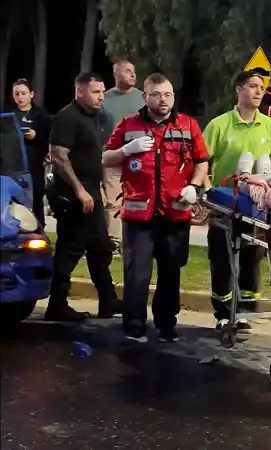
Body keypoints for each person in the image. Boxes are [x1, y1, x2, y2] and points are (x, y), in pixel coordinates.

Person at [101, 73, 209, 343]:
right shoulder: (129, 125)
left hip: (175, 212)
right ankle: (134, 324)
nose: (163, 100)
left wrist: (194, 187)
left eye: (168, 94)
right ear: (144, 96)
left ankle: (166, 324)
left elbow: (202, 161)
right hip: (139, 216)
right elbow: (106, 157)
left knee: (171, 273)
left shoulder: (188, 125)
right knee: (137, 275)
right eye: (157, 94)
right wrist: (127, 149)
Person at [203, 70, 271, 332]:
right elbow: (201, 162)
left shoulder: (270, 126)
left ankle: (245, 313)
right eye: (252, 86)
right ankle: (224, 312)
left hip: (256, 207)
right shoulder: (219, 125)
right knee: (221, 258)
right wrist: (206, 193)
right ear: (238, 90)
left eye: (261, 87)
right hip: (224, 204)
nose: (259, 92)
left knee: (252, 258)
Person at [46, 72, 124, 322]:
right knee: (70, 250)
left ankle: (108, 301)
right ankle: (57, 305)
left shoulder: (93, 118)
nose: (101, 96)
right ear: (80, 92)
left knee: (100, 247)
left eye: (102, 91)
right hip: (74, 197)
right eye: (95, 92)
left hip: (92, 193)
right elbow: (58, 156)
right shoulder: (67, 117)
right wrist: (79, 190)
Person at [100, 60, 144, 257]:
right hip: (113, 157)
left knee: (138, 199)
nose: (133, 75)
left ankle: (138, 241)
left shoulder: (142, 98)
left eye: (134, 71)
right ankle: (114, 242)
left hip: (140, 157)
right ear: (116, 74)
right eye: (127, 71)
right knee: (113, 200)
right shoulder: (104, 99)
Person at [10, 79, 50, 225]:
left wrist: (36, 135)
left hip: (35, 166)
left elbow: (49, 139)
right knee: (14, 200)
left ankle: (39, 230)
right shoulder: (9, 114)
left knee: (36, 198)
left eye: (23, 93)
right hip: (13, 166)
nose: (20, 97)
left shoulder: (41, 115)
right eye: (16, 94)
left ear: (31, 94)